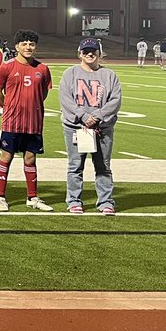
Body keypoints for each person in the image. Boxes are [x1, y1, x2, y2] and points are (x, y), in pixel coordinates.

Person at [0, 29, 54, 212]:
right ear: (17, 46)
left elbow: (43, 93)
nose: (28, 47)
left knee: (30, 158)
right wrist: (8, 107)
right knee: (6, 156)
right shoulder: (7, 67)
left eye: (32, 44)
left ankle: (32, 197)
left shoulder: (42, 69)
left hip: (33, 122)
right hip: (12, 122)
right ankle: (0, 198)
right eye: (24, 44)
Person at [59, 38, 122, 215]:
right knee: (75, 166)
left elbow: (115, 100)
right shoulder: (70, 74)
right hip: (77, 127)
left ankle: (105, 201)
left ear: (99, 53)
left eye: (93, 51)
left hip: (102, 128)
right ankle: (73, 200)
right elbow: (66, 99)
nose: (89, 54)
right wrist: (84, 116)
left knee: (103, 166)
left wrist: (98, 116)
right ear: (79, 53)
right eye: (85, 51)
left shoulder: (109, 75)